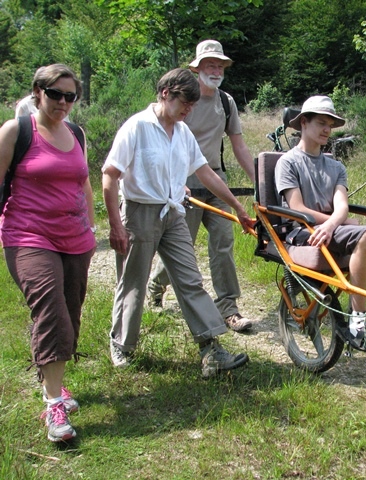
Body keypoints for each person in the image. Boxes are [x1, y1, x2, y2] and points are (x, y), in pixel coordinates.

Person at [102, 68, 253, 376]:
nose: (189, 109)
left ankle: (211, 349)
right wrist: (116, 225)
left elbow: (206, 172)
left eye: (194, 104)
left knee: (190, 280)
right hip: (139, 213)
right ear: (166, 93)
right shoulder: (137, 127)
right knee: (133, 283)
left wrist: (236, 205)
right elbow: (109, 176)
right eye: (185, 102)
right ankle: (122, 344)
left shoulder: (182, 132)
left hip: (173, 214)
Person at [0, 64, 95, 442]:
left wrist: (91, 224)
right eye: (55, 93)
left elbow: (83, 180)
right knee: (52, 312)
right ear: (38, 92)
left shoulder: (76, 132)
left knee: (69, 315)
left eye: (70, 96)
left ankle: (54, 379)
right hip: (27, 235)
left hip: (75, 238)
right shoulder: (16, 130)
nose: (63, 102)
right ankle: (53, 402)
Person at [274, 95, 366, 354]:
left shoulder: (336, 166)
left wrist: (336, 223)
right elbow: (297, 209)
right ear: (303, 122)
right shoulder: (288, 162)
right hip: (301, 230)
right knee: (365, 236)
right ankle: (358, 320)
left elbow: (342, 206)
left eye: (331, 125)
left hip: (331, 229)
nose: (327, 129)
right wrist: (339, 222)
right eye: (321, 123)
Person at [147, 40, 255, 333]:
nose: (216, 70)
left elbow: (239, 146)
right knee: (183, 246)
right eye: (211, 64)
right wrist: (174, 182)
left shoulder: (226, 102)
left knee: (223, 245)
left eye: (220, 65)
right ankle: (155, 287)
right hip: (184, 185)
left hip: (215, 180)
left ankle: (228, 309)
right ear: (197, 68)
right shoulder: (184, 100)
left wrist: (260, 179)